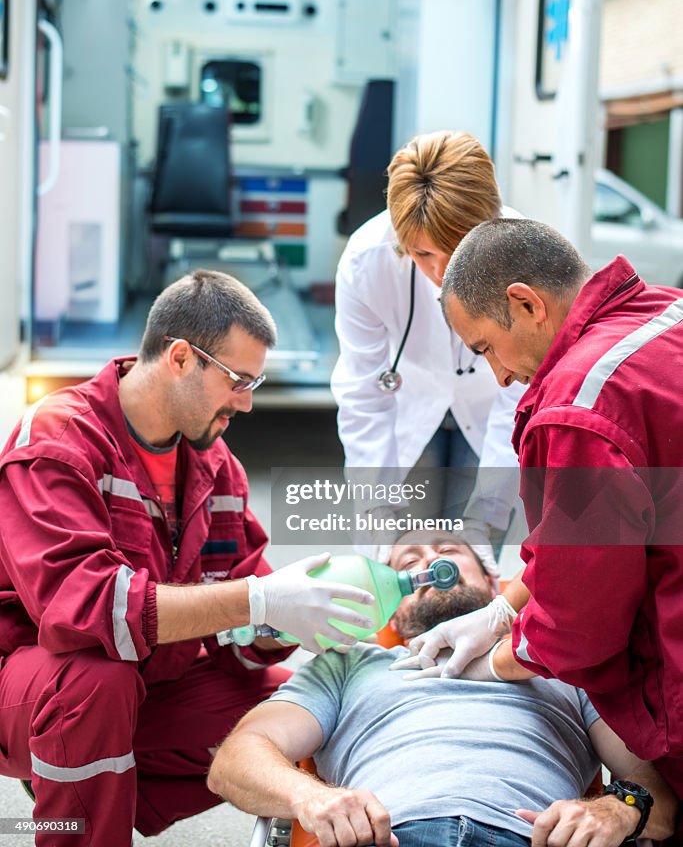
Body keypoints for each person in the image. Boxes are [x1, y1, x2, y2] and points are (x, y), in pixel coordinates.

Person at [0, 270, 374, 847]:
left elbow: (239, 641)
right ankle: (75, 822)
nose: (247, 403)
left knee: (303, 709)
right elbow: (86, 611)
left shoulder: (216, 467)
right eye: (238, 380)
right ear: (179, 358)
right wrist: (257, 598)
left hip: (149, 683)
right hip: (38, 682)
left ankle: (105, 787)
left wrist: (282, 619)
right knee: (97, 683)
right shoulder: (57, 440)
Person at [402, 218, 683, 802]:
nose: (500, 375)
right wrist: (503, 612)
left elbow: (580, 624)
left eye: (484, 348)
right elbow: (592, 538)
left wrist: (503, 659)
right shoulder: (665, 315)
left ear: (526, 304)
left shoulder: (582, 407)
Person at [207, 533, 677, 847]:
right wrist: (307, 797)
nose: (429, 562)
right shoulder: (351, 665)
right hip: (392, 835)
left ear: (499, 588)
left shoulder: (562, 664)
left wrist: (620, 809)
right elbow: (235, 760)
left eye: (449, 551)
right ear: (388, 612)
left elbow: (660, 790)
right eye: (407, 563)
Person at [331, 131, 523, 569]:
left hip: (492, 413)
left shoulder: (522, 254)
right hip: (409, 408)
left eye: (456, 251)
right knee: (400, 564)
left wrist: (487, 517)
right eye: (421, 254)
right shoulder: (366, 261)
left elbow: (521, 396)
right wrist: (380, 518)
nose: (440, 272)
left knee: (470, 562)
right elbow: (363, 396)